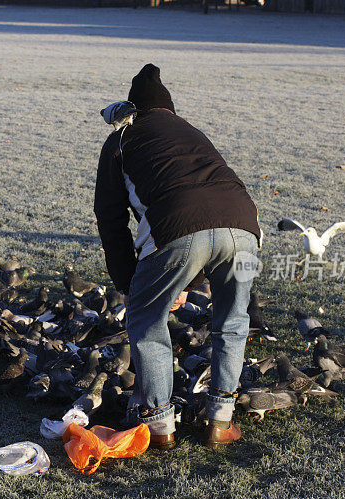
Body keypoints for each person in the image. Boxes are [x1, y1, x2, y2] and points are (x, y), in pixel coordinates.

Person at [94, 64, 262, 450]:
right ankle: (220, 421)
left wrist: (130, 286)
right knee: (233, 321)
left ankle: (159, 425)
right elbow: (210, 215)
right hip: (246, 227)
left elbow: (111, 218)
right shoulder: (190, 131)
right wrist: (187, 278)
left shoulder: (121, 139)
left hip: (179, 229)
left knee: (147, 321)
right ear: (169, 109)